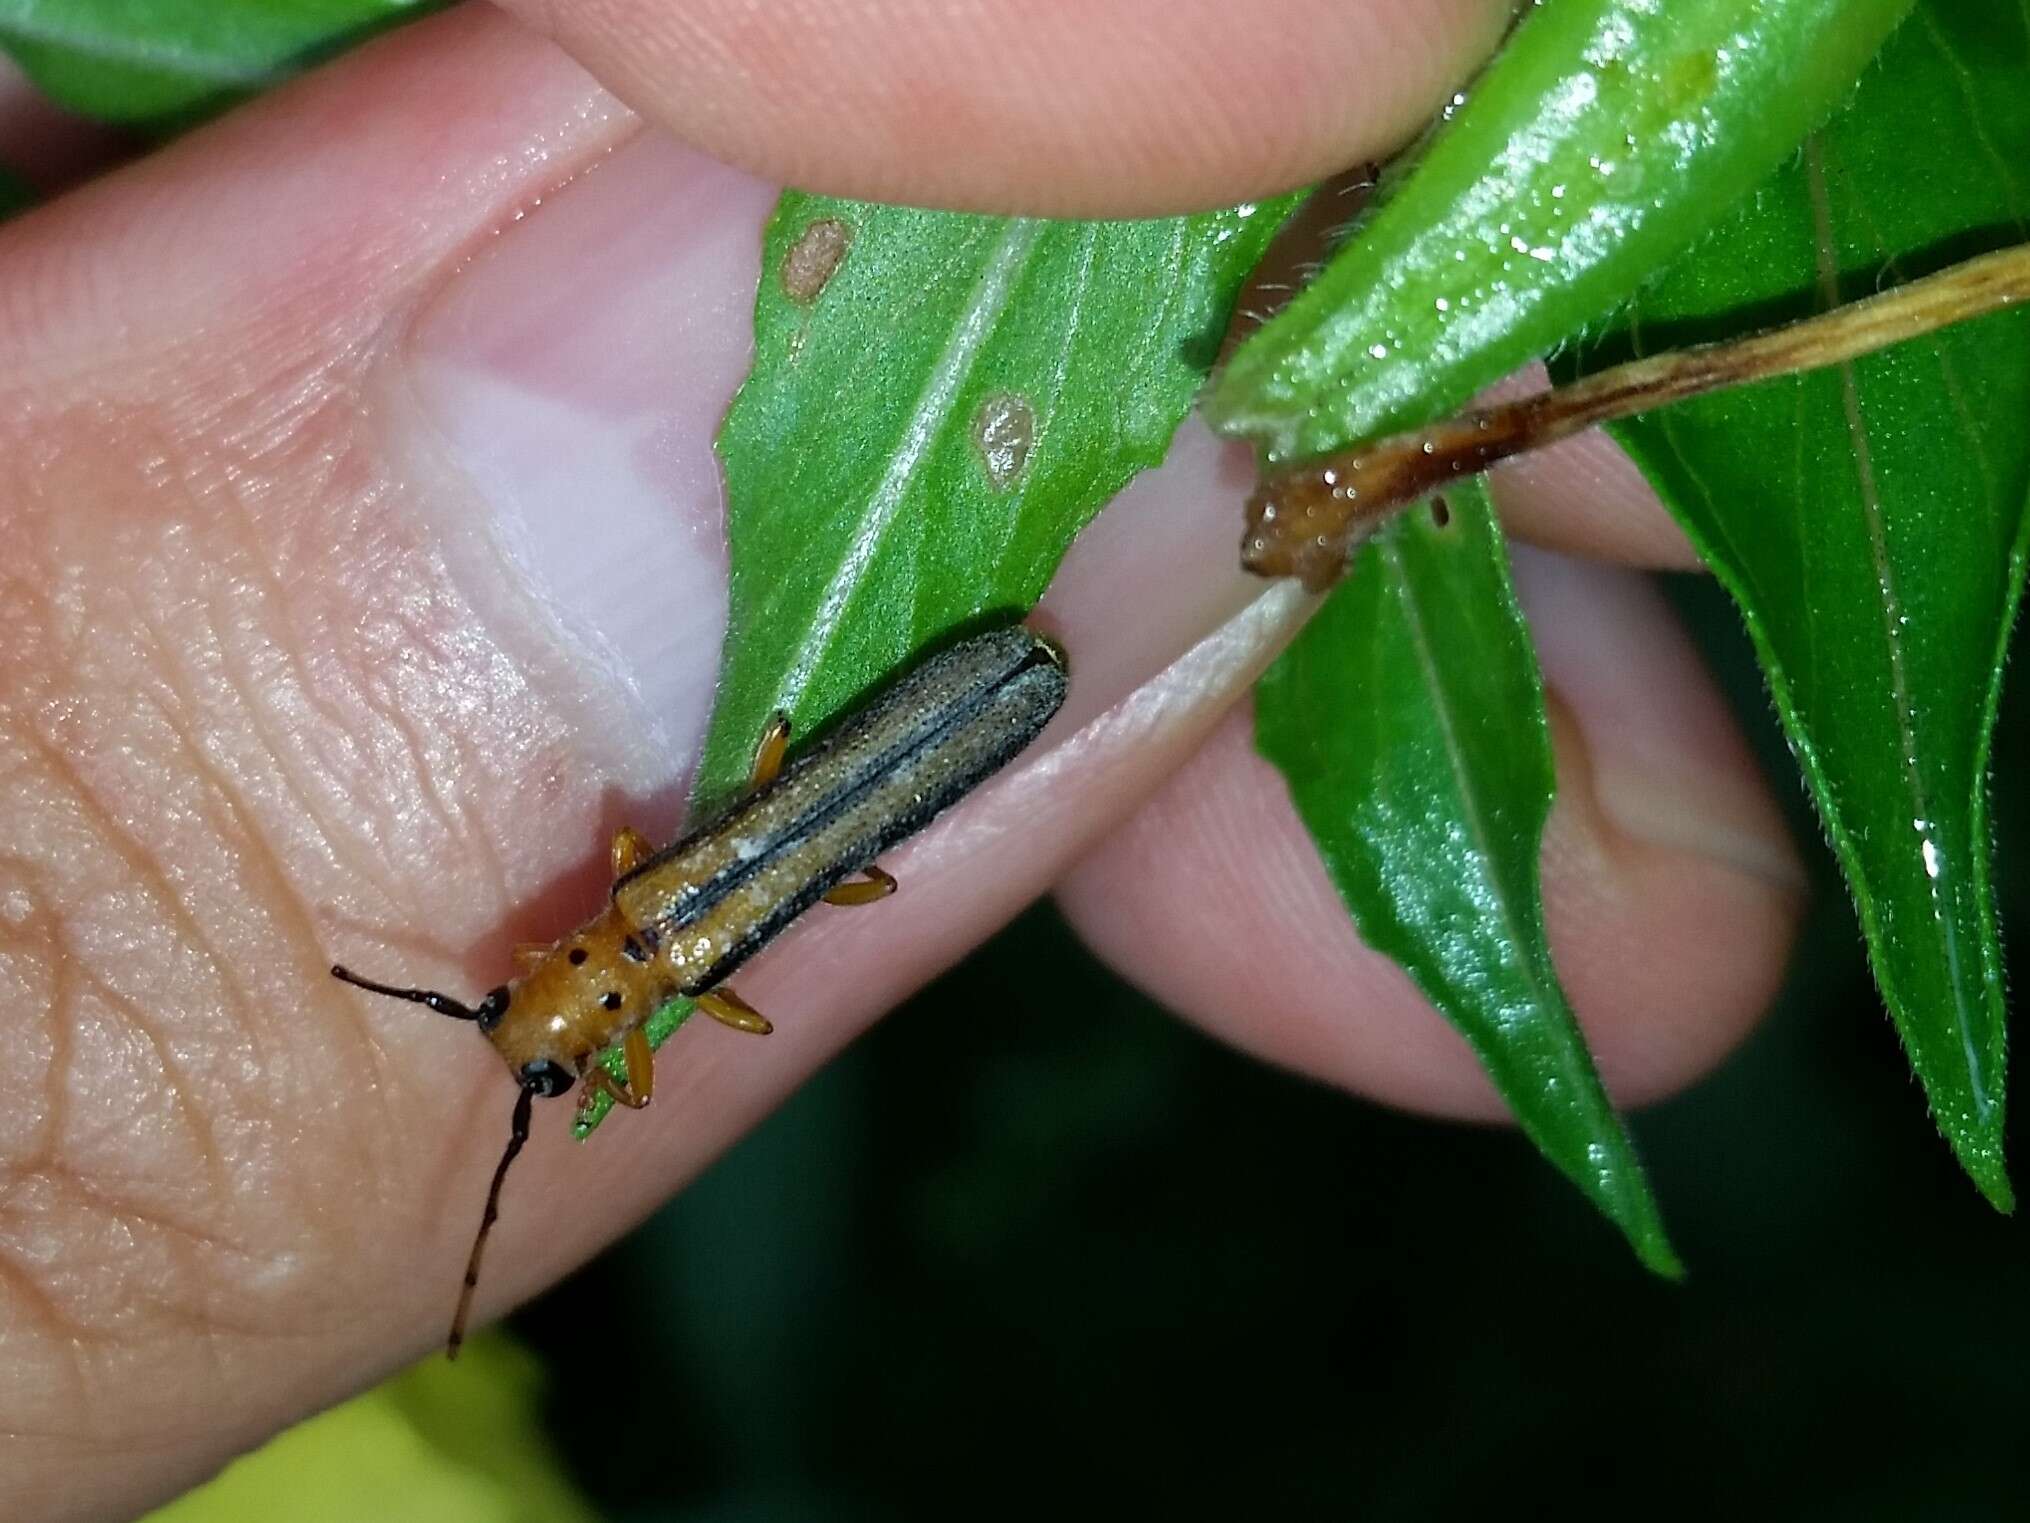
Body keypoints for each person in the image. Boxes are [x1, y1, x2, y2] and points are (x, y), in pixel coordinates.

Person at [0, 5, 1802, 1518]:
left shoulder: (676, 963)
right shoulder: (657, 918)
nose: (547, 989)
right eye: (548, 1012)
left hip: (935, 733)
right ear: (571, 976)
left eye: (545, 996)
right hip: (948, 721)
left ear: (577, 970)